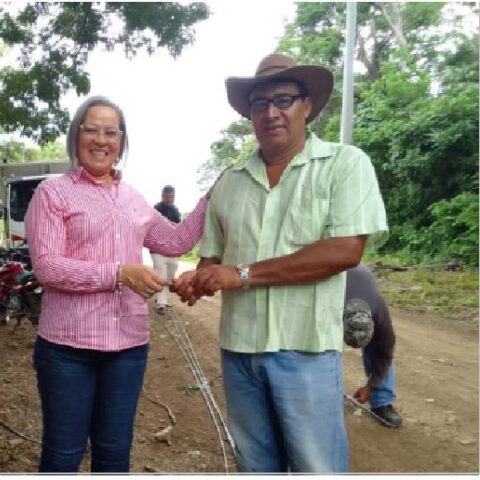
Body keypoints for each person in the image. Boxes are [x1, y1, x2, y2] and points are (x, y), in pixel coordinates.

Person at [172, 53, 388, 473]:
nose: (271, 112)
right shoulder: (229, 182)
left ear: (308, 105)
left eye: (284, 100)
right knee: (255, 466)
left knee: (315, 467)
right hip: (240, 352)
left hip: (305, 349)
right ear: (249, 114)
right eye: (259, 104)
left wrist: (241, 275)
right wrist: (197, 281)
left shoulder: (344, 165)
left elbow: (346, 250)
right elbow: (213, 258)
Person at [25, 96, 214, 473]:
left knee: (114, 454)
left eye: (111, 132)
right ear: (76, 136)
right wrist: (118, 273)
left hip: (127, 349)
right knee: (64, 454)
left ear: (121, 142)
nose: (101, 140)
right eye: (91, 129)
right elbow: (47, 268)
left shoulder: (133, 199)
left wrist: (212, 195)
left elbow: (176, 242)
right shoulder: (53, 193)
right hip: (67, 349)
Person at [344, 263, 402, 427]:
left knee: (378, 349)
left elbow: (385, 356)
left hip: (358, 272)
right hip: (335, 274)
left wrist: (371, 386)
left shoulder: (380, 317)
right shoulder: (327, 308)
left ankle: (382, 400)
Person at [151, 185, 181, 314]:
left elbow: (178, 227)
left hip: (172, 248)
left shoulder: (176, 210)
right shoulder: (156, 208)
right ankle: (161, 303)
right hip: (157, 248)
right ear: (163, 195)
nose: (170, 197)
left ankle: (163, 298)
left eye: (172, 196)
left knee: (171, 273)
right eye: (167, 195)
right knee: (161, 274)